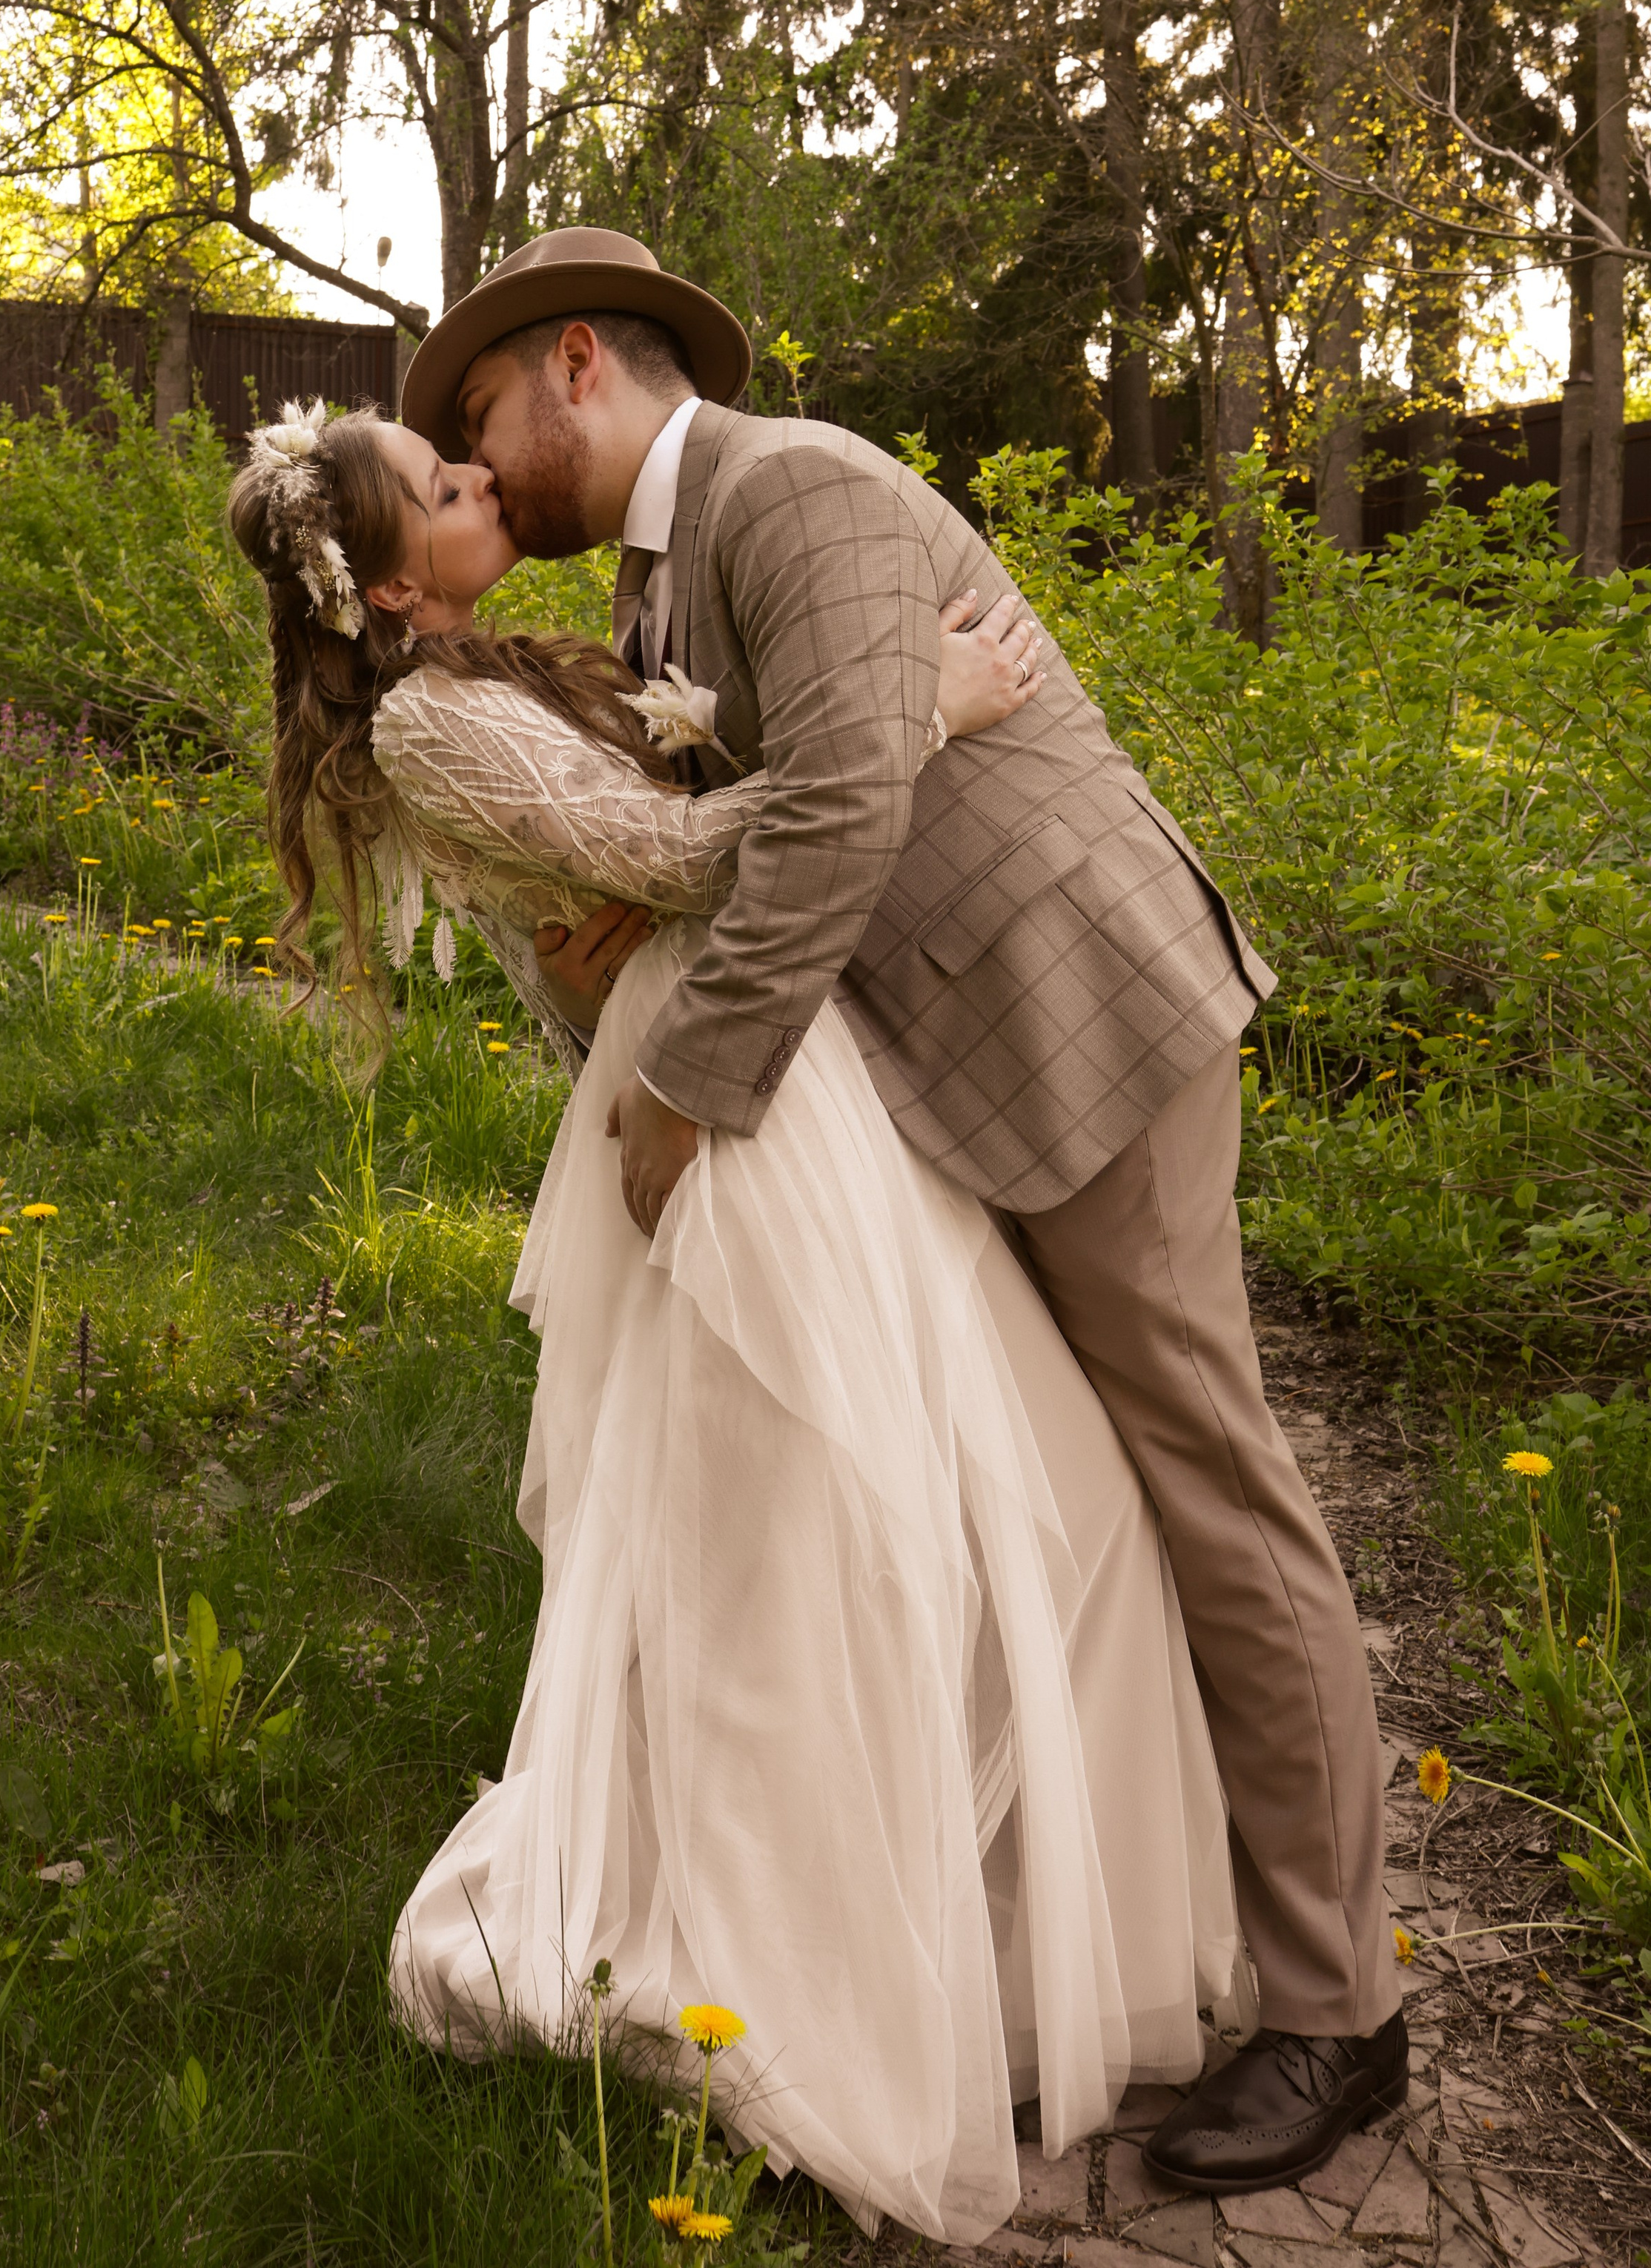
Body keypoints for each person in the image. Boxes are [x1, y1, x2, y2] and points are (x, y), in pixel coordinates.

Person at [395, 226, 1406, 2200]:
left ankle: (1338, 2013)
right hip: (936, 1072)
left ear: (579, 361)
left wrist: (691, 1100)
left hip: (1082, 1026)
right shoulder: (653, 581)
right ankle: (1054, 1951)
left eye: (483, 414)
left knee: (1208, 1483)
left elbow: (853, 795)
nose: (478, 456)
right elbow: (705, 860)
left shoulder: (800, 487)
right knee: (1058, 1509)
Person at [228, 395, 1242, 2246]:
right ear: (388, 582)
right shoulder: (430, 722)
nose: (478, 480)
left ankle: (975, 1937)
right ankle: (803, 1989)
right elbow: (692, 865)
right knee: (806, 1523)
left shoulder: (517, 662)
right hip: (727, 1102)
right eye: (441, 488)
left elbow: (657, 844)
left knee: (998, 1503)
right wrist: (913, 716)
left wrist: (649, 850)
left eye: (467, 457)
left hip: (790, 1073)